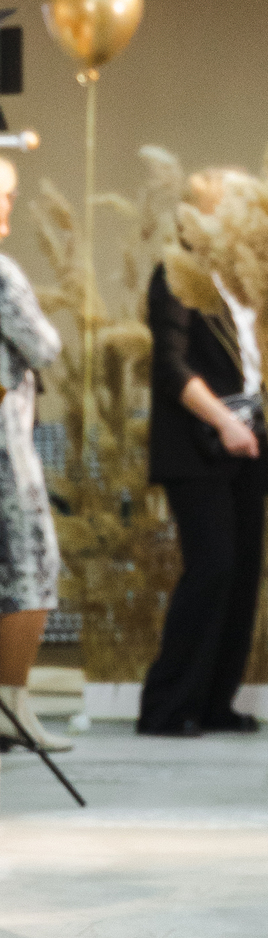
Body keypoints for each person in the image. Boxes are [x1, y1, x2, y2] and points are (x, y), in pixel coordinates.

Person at [137, 170, 268, 738]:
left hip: (250, 442)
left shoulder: (244, 280)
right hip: (198, 446)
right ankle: (167, 707)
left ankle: (216, 702)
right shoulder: (176, 273)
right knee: (212, 567)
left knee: (242, 574)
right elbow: (170, 367)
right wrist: (224, 422)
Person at [0, 155, 73, 760]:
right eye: (2, 195)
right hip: (5, 452)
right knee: (32, 569)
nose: (9, 207)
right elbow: (44, 344)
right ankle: (11, 704)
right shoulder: (2, 273)